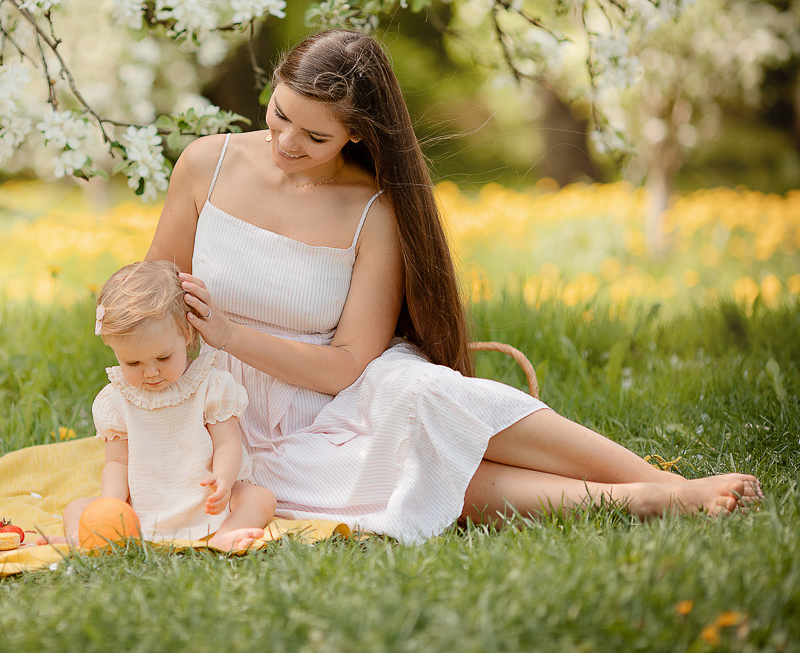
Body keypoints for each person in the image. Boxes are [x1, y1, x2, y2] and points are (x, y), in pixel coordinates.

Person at [145, 28, 762, 543]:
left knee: (434, 395)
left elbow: (345, 367)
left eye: (314, 136)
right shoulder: (208, 163)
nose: (285, 142)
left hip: (336, 392)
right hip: (231, 414)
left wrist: (230, 331)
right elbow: (152, 291)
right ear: (272, 91)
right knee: (428, 480)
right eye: (280, 115)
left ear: (358, 134)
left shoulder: (375, 210)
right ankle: (644, 502)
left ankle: (667, 482)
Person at [59, 260, 277, 552]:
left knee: (259, 498)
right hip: (145, 503)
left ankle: (228, 531)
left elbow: (227, 442)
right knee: (76, 508)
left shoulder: (209, 386)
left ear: (187, 336)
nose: (150, 373)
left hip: (206, 498)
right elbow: (117, 461)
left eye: (163, 358)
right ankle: (83, 537)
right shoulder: (117, 400)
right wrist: (111, 505)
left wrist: (223, 478)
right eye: (132, 363)